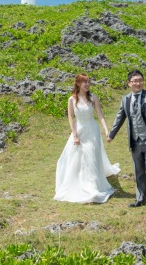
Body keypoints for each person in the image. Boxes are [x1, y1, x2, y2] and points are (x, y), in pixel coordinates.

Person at [54, 73, 120, 203]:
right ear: (78, 83)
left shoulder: (93, 97)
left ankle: (93, 185)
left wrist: (107, 130)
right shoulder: (71, 99)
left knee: (92, 156)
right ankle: (78, 181)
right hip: (79, 130)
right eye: (85, 82)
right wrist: (75, 135)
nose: (87, 85)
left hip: (92, 130)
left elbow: (100, 115)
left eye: (89, 82)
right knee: (77, 158)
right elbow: (71, 118)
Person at [107, 69, 146, 216]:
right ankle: (140, 198)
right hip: (135, 141)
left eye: (140, 80)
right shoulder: (126, 99)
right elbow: (120, 117)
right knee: (138, 172)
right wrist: (111, 134)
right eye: (135, 81)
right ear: (129, 83)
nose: (138, 83)